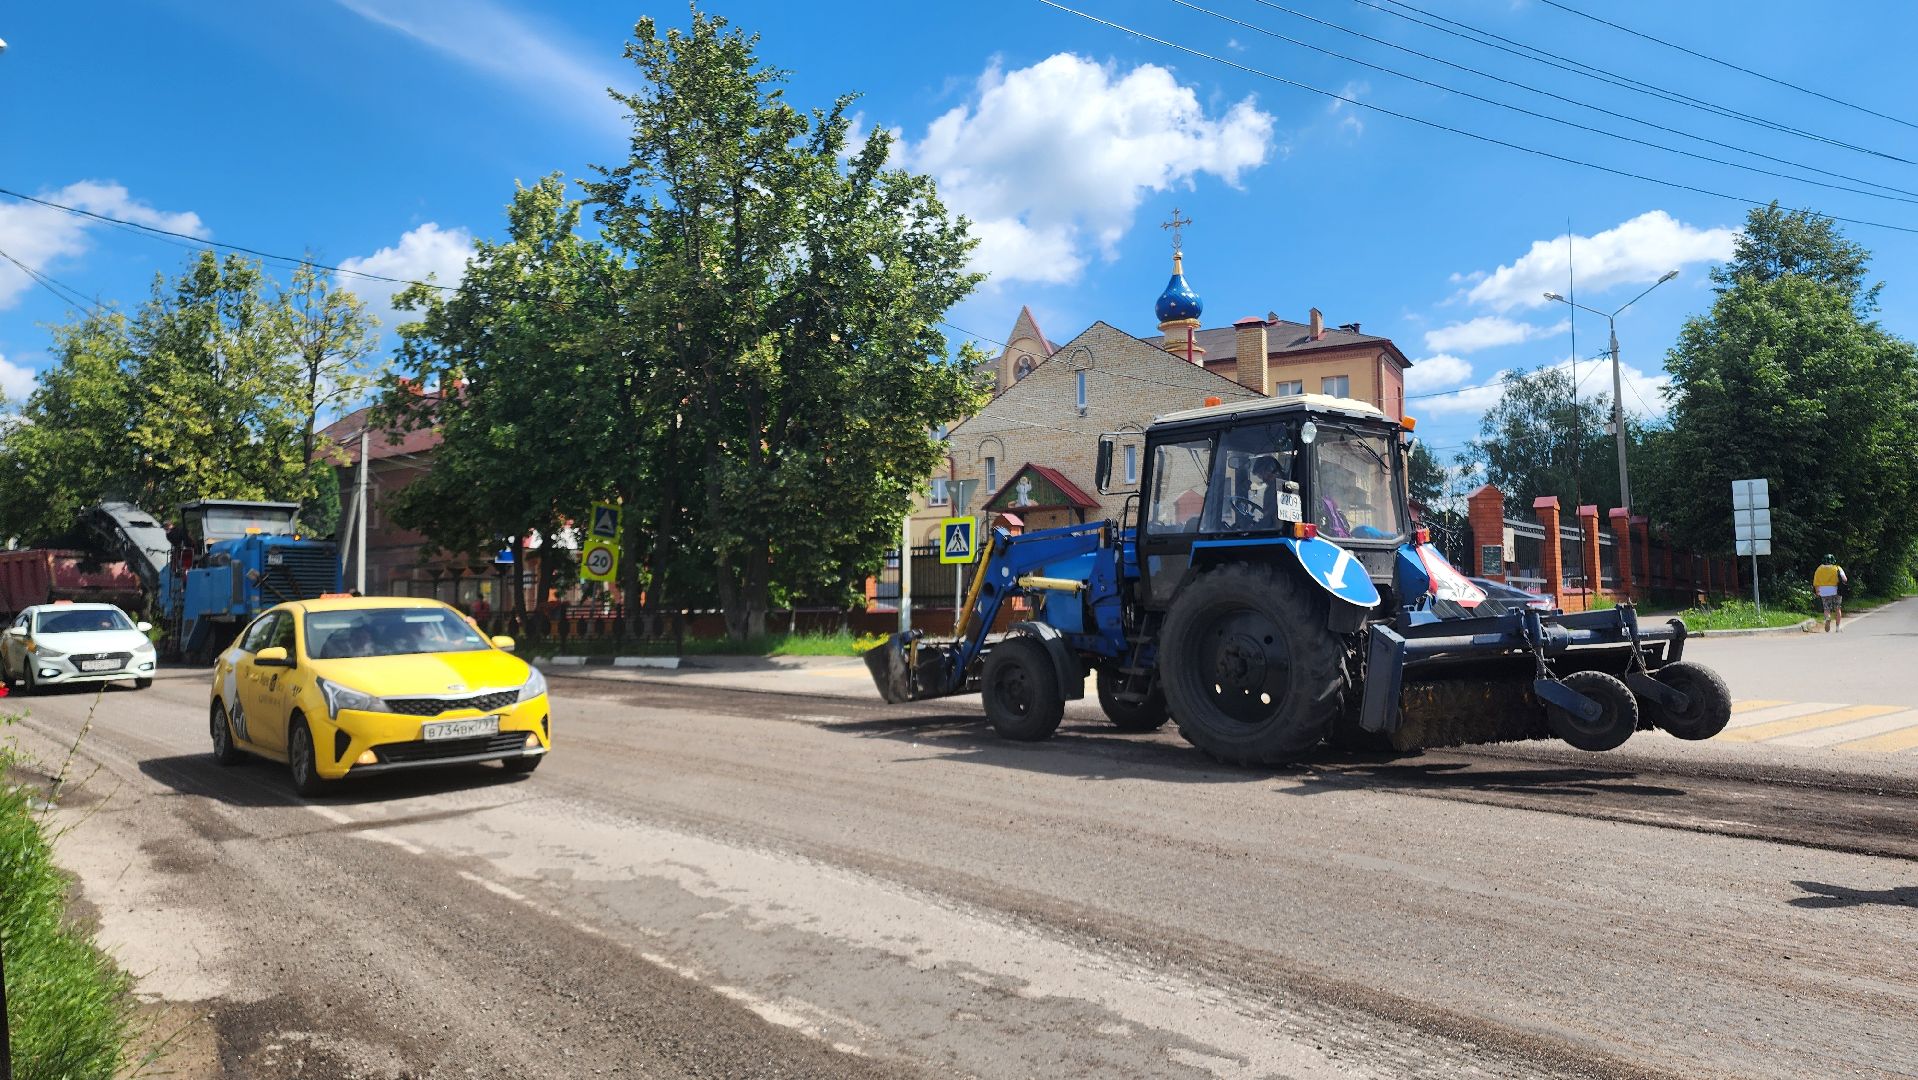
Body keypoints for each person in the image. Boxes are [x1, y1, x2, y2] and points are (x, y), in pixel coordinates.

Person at [1813, 554, 1849, 632]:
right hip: (1836, 590)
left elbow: (1815, 581)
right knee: (1838, 608)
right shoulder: (1837, 568)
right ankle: (1838, 627)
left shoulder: (1819, 569)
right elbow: (1845, 579)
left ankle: (1828, 618)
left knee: (1826, 608)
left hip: (1823, 591)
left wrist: (1817, 591)